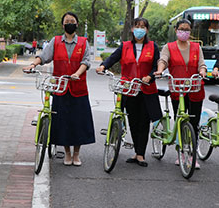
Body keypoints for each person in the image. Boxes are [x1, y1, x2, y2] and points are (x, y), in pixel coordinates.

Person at [24, 12, 95, 166]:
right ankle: (67, 153)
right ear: (63, 25)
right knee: (63, 122)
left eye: (72, 21)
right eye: (67, 21)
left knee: (79, 122)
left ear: (77, 24)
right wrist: (33, 64)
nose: (69, 23)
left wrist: (77, 74)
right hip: (60, 87)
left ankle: (77, 154)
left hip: (78, 88)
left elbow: (86, 61)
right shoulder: (55, 41)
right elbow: (44, 56)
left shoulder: (83, 42)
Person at [96, 17, 162, 167]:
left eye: (143, 27)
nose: (140, 29)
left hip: (146, 89)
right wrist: (103, 66)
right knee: (133, 121)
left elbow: (156, 66)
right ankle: (136, 152)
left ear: (147, 30)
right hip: (129, 88)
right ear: (132, 29)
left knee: (143, 122)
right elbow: (112, 58)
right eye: (137, 26)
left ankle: (140, 154)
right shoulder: (125, 46)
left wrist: (150, 76)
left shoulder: (152, 46)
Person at [155, 19, 206, 167]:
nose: (184, 32)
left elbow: (201, 64)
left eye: (187, 29)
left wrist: (202, 71)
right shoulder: (169, 47)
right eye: (182, 29)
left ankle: (192, 154)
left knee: (194, 123)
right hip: (178, 90)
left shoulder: (196, 47)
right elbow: (163, 60)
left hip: (195, 89)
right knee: (181, 121)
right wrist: (160, 70)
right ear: (176, 30)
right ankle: (182, 152)